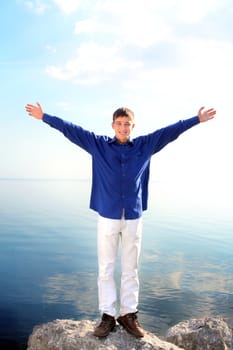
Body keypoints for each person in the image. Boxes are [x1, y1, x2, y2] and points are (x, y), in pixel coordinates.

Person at [25, 102, 216, 338]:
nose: (123, 128)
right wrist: (44, 117)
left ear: (133, 126)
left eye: (127, 124)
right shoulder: (99, 145)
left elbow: (170, 132)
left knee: (131, 269)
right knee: (106, 268)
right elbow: (70, 129)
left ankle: (128, 315)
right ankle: (107, 316)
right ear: (113, 125)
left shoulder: (145, 145)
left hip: (133, 216)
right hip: (108, 215)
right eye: (119, 124)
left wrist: (195, 120)